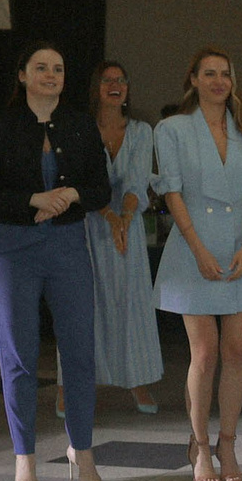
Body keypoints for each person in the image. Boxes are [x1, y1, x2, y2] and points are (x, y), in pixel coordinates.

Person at [0, 42, 111, 481]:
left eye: (58, 68)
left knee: (80, 352)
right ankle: (24, 459)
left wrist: (69, 196)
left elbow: (100, 187)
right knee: (18, 357)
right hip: (12, 249)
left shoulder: (79, 123)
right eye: (41, 68)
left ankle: (82, 450)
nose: (51, 75)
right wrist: (32, 199)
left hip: (67, 246)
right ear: (23, 75)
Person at [154, 47, 242, 481]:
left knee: (236, 351)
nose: (219, 81)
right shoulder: (173, 129)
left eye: (225, 74)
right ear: (194, 79)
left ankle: (229, 443)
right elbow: (172, 193)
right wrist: (197, 247)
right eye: (210, 73)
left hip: (240, 247)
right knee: (204, 352)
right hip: (192, 245)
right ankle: (200, 446)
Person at [87, 60, 164, 415]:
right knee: (84, 303)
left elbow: (136, 180)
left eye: (121, 80)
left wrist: (125, 218)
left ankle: (137, 380)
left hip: (127, 227)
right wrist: (108, 215)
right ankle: (69, 383)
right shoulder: (81, 128)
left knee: (131, 301)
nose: (115, 85)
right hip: (86, 223)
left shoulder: (141, 131)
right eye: (107, 80)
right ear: (97, 87)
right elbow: (81, 181)